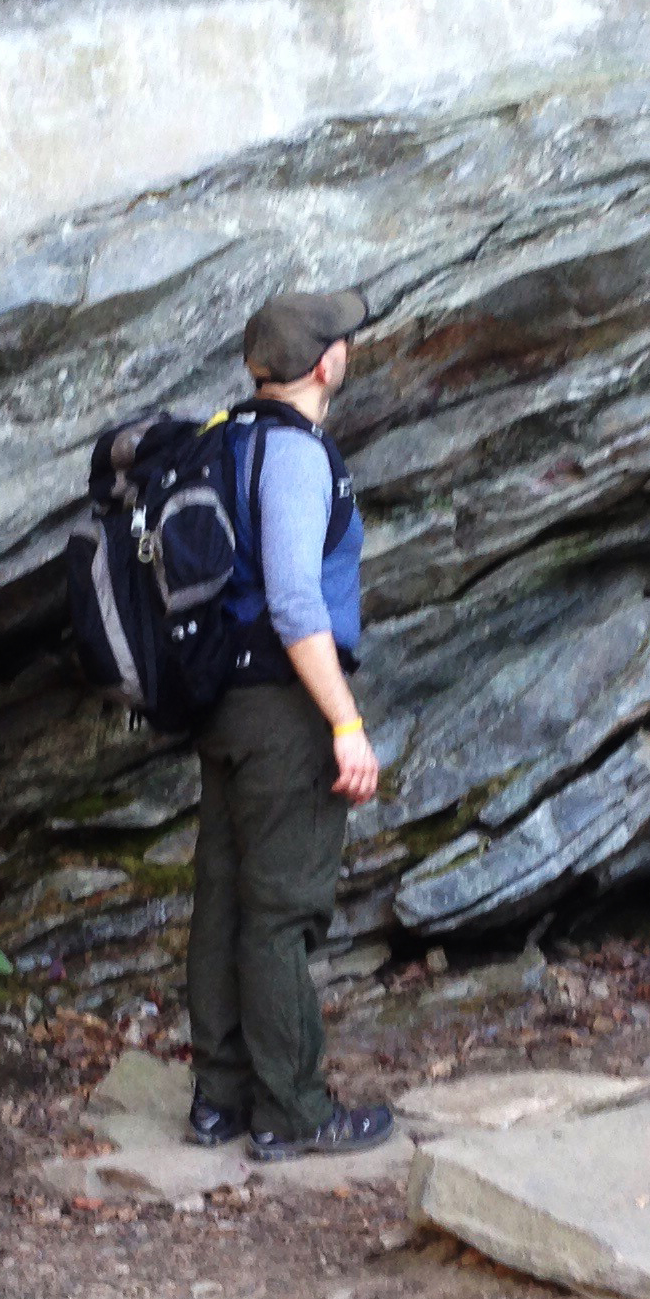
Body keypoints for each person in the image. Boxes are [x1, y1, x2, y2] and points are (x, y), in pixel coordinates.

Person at [183, 289, 400, 1164]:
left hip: (223, 705)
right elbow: (296, 600)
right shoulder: (298, 457)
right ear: (325, 364)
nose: (347, 348)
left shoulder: (222, 439)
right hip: (285, 708)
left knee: (225, 902)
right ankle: (292, 1112)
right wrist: (343, 723)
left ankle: (219, 1099)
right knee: (279, 915)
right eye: (342, 340)